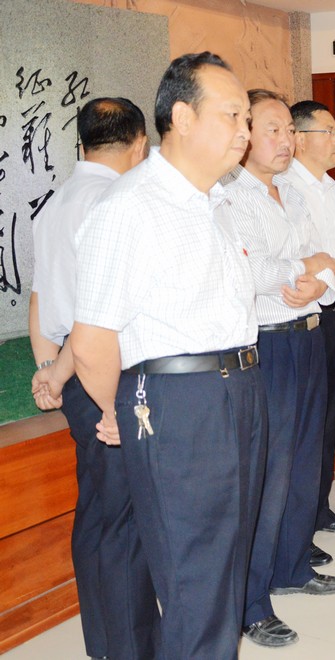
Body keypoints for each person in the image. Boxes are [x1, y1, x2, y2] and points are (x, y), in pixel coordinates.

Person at [70, 52, 267, 659]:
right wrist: (118, 409)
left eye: (247, 118)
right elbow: (92, 338)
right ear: (182, 117)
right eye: (232, 115)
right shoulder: (129, 206)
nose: (245, 131)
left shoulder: (214, 202)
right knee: (194, 578)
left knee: (226, 567)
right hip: (178, 403)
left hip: (238, 389)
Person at [29, 97, 156, 660]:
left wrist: (48, 372)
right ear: (140, 144)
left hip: (76, 375)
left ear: (80, 142)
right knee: (124, 518)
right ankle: (128, 647)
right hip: (109, 378)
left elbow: (41, 298)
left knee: (100, 512)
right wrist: (88, 388)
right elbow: (94, 320)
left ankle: (106, 643)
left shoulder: (54, 204)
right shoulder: (118, 203)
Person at [229, 90, 335, 648]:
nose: (285, 140)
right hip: (268, 346)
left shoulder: (294, 194)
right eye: (273, 129)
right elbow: (253, 274)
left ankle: (293, 567)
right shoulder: (232, 198)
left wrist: (316, 276)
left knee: (304, 463)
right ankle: (252, 604)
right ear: (245, 134)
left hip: (308, 336)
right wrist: (309, 268)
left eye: (288, 130)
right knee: (269, 477)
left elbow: (333, 266)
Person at [285, 100, 335, 569]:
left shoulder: (329, 185)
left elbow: (331, 257)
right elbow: (301, 259)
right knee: (301, 426)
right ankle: (296, 527)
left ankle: (318, 507)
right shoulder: (285, 185)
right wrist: (322, 277)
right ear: (299, 137)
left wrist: (327, 280)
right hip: (298, 311)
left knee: (326, 416)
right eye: (329, 131)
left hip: (328, 308)